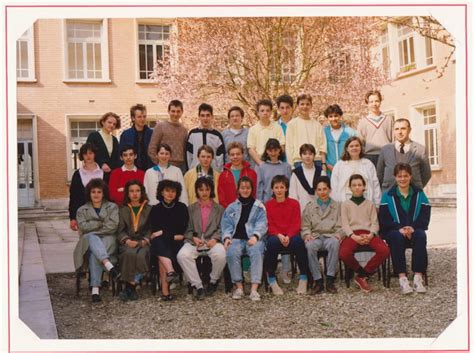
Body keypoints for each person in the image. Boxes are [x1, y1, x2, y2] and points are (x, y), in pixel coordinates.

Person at [379, 163, 431, 294]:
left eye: (405, 176)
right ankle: (402, 278)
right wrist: (399, 229)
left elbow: (425, 216)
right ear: (395, 177)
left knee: (421, 235)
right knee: (395, 237)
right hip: (394, 231)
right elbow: (384, 219)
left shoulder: (419, 194)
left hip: (414, 230)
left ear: (410, 176)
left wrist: (412, 228)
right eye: (399, 176)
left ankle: (418, 277)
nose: (403, 179)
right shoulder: (387, 196)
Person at [177, 177, 226, 300]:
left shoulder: (219, 209)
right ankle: (198, 286)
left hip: (212, 241)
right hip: (195, 241)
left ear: (211, 190)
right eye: (201, 189)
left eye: (207, 189)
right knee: (182, 255)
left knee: (222, 254)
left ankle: (213, 281)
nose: (204, 192)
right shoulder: (190, 209)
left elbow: (222, 228)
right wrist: (193, 238)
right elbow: (186, 228)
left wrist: (215, 239)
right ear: (197, 191)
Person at [339, 174, 390, 292]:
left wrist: (371, 234)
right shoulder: (345, 204)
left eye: (359, 185)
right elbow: (345, 225)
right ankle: (362, 273)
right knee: (344, 253)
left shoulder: (370, 204)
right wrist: (353, 236)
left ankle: (362, 275)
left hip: (368, 233)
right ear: (350, 187)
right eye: (354, 185)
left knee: (384, 250)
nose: (357, 187)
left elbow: (375, 223)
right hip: (352, 234)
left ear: (364, 187)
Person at [73, 178, 121, 303]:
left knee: (94, 246)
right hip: (88, 244)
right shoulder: (81, 210)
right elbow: (83, 227)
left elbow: (113, 226)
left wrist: (93, 227)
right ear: (89, 193)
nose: (96, 194)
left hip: (109, 240)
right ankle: (109, 266)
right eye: (93, 192)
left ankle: (95, 289)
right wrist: (101, 224)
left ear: (103, 193)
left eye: (99, 192)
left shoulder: (112, 207)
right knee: (92, 240)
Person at [222, 177, 267, 301]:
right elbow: (226, 225)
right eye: (242, 188)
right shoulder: (231, 207)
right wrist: (227, 238)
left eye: (248, 188)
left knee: (256, 251)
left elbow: (262, 224)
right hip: (236, 238)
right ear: (238, 189)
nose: (245, 190)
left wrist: (256, 236)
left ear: (252, 189)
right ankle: (239, 287)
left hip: (253, 238)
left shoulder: (259, 206)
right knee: (231, 251)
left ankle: (254, 289)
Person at [265, 175, 309, 295]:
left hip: (291, 235)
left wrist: (288, 236)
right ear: (272, 189)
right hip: (276, 235)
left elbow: (296, 223)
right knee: (271, 243)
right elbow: (269, 224)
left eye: (282, 187)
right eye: (276, 187)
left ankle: (304, 278)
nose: (279, 190)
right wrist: (279, 235)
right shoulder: (268, 205)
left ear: (286, 189)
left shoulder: (294, 204)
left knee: (299, 243)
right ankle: (272, 280)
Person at [301, 176, 344, 294]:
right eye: (319, 189)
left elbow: (342, 225)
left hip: (331, 236)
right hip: (315, 236)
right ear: (316, 191)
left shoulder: (338, 206)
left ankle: (330, 279)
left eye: (325, 189)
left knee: (335, 243)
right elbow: (305, 226)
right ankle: (318, 280)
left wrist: (339, 234)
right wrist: (307, 235)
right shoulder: (310, 206)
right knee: (309, 245)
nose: (322, 192)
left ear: (330, 190)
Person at [149, 180, 189, 301]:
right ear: (161, 192)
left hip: (176, 243)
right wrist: (169, 234)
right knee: (159, 244)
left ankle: (165, 291)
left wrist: (163, 233)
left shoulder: (182, 208)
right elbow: (155, 229)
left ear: (177, 193)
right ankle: (170, 272)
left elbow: (182, 228)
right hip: (164, 242)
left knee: (160, 248)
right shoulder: (156, 209)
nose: (170, 194)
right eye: (167, 191)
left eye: (173, 191)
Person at [117, 180, 152, 301]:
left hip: (143, 242)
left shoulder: (149, 209)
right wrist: (126, 240)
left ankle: (129, 286)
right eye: (131, 191)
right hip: (128, 242)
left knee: (142, 255)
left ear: (142, 192)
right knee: (128, 253)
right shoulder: (122, 209)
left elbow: (151, 229)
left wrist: (145, 240)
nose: (135, 194)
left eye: (137, 191)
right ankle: (132, 286)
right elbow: (120, 230)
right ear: (127, 193)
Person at [377, 118, 431, 193]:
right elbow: (379, 174)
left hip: (413, 194)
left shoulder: (420, 149)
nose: (400, 132)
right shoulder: (385, 150)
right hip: (389, 194)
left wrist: (415, 186)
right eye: (396, 129)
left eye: (403, 128)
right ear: (393, 131)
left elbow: (426, 174)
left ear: (409, 130)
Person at [330, 136, 381, 206]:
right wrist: (337, 204)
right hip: (345, 201)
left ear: (361, 147)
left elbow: (375, 184)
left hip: (366, 200)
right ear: (347, 149)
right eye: (351, 146)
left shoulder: (368, 164)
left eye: (357, 145)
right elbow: (334, 185)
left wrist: (377, 204)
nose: (354, 148)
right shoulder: (339, 165)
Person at [285, 94, 327, 172]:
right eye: (302, 104)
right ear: (298, 106)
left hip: (316, 161)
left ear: (311, 106)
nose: (305, 106)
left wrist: (323, 163)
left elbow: (322, 146)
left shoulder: (317, 125)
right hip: (298, 162)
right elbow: (289, 147)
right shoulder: (292, 124)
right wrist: (291, 165)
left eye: (307, 104)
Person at [69, 143, 104, 231]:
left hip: (102, 214)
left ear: (95, 154)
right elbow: (73, 197)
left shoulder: (103, 173)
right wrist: (72, 218)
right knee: (85, 241)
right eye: (85, 154)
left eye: (90, 153)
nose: (88, 156)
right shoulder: (77, 174)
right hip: (83, 215)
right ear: (82, 156)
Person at [148, 100, 188, 174]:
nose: (175, 114)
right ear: (168, 111)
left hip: (181, 168)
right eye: (173, 111)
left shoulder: (184, 130)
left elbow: (185, 151)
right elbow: (152, 148)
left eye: (178, 111)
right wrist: (160, 164)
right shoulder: (160, 126)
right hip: (164, 166)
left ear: (182, 112)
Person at [357, 90, 393, 167]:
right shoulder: (363, 121)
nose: (374, 104)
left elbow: (393, 139)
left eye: (377, 101)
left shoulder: (388, 119)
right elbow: (360, 142)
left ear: (380, 102)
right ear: (367, 104)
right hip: (369, 156)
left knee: (385, 178)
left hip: (386, 155)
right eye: (371, 102)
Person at [186, 103, 226, 172]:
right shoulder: (193, 134)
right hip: (195, 171)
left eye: (208, 115)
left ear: (212, 116)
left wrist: (218, 172)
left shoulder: (217, 135)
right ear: (199, 117)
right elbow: (189, 155)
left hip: (212, 172)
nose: (205, 118)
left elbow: (220, 157)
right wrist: (191, 170)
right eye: (202, 115)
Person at [218, 142, 257, 208]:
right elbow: (221, 197)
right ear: (229, 156)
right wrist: (228, 210)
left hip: (248, 210)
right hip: (230, 212)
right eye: (232, 155)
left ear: (242, 155)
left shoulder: (251, 173)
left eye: (238, 154)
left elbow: (255, 193)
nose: (235, 157)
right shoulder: (223, 175)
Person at [247, 99, 285, 167]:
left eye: (268, 110)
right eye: (262, 111)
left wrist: (275, 160)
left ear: (271, 112)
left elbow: (282, 145)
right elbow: (251, 149)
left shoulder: (277, 127)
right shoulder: (253, 129)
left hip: (275, 163)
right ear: (258, 113)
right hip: (260, 164)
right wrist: (261, 163)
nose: (265, 113)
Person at [322, 104, 357, 176]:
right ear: (327, 118)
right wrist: (327, 165)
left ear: (340, 116)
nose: (334, 118)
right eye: (330, 116)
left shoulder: (350, 132)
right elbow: (322, 150)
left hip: (347, 168)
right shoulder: (324, 132)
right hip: (330, 169)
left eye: (336, 115)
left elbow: (356, 149)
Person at [86, 112, 121, 182]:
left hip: (112, 176)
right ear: (103, 122)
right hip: (97, 175)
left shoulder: (115, 140)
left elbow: (117, 158)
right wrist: (101, 164)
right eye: (109, 122)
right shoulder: (93, 136)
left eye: (114, 124)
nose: (112, 125)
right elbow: (89, 154)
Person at [119, 104, 153, 171]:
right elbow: (121, 154)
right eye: (139, 117)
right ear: (133, 118)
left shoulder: (152, 134)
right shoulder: (125, 135)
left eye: (144, 116)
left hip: (149, 170)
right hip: (131, 170)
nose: (142, 119)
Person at [289, 144, 323, 212]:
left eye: (310, 154)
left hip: (319, 211)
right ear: (301, 156)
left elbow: (325, 193)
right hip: (302, 210)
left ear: (314, 156)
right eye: (304, 154)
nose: (307, 156)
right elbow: (293, 195)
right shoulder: (296, 173)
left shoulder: (321, 172)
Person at [256, 138, 292, 203]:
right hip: (267, 203)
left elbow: (290, 187)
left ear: (279, 150)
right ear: (266, 151)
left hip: (284, 202)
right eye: (270, 150)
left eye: (275, 150)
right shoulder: (262, 167)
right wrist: (260, 203)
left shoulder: (286, 167)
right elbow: (259, 188)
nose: (273, 153)